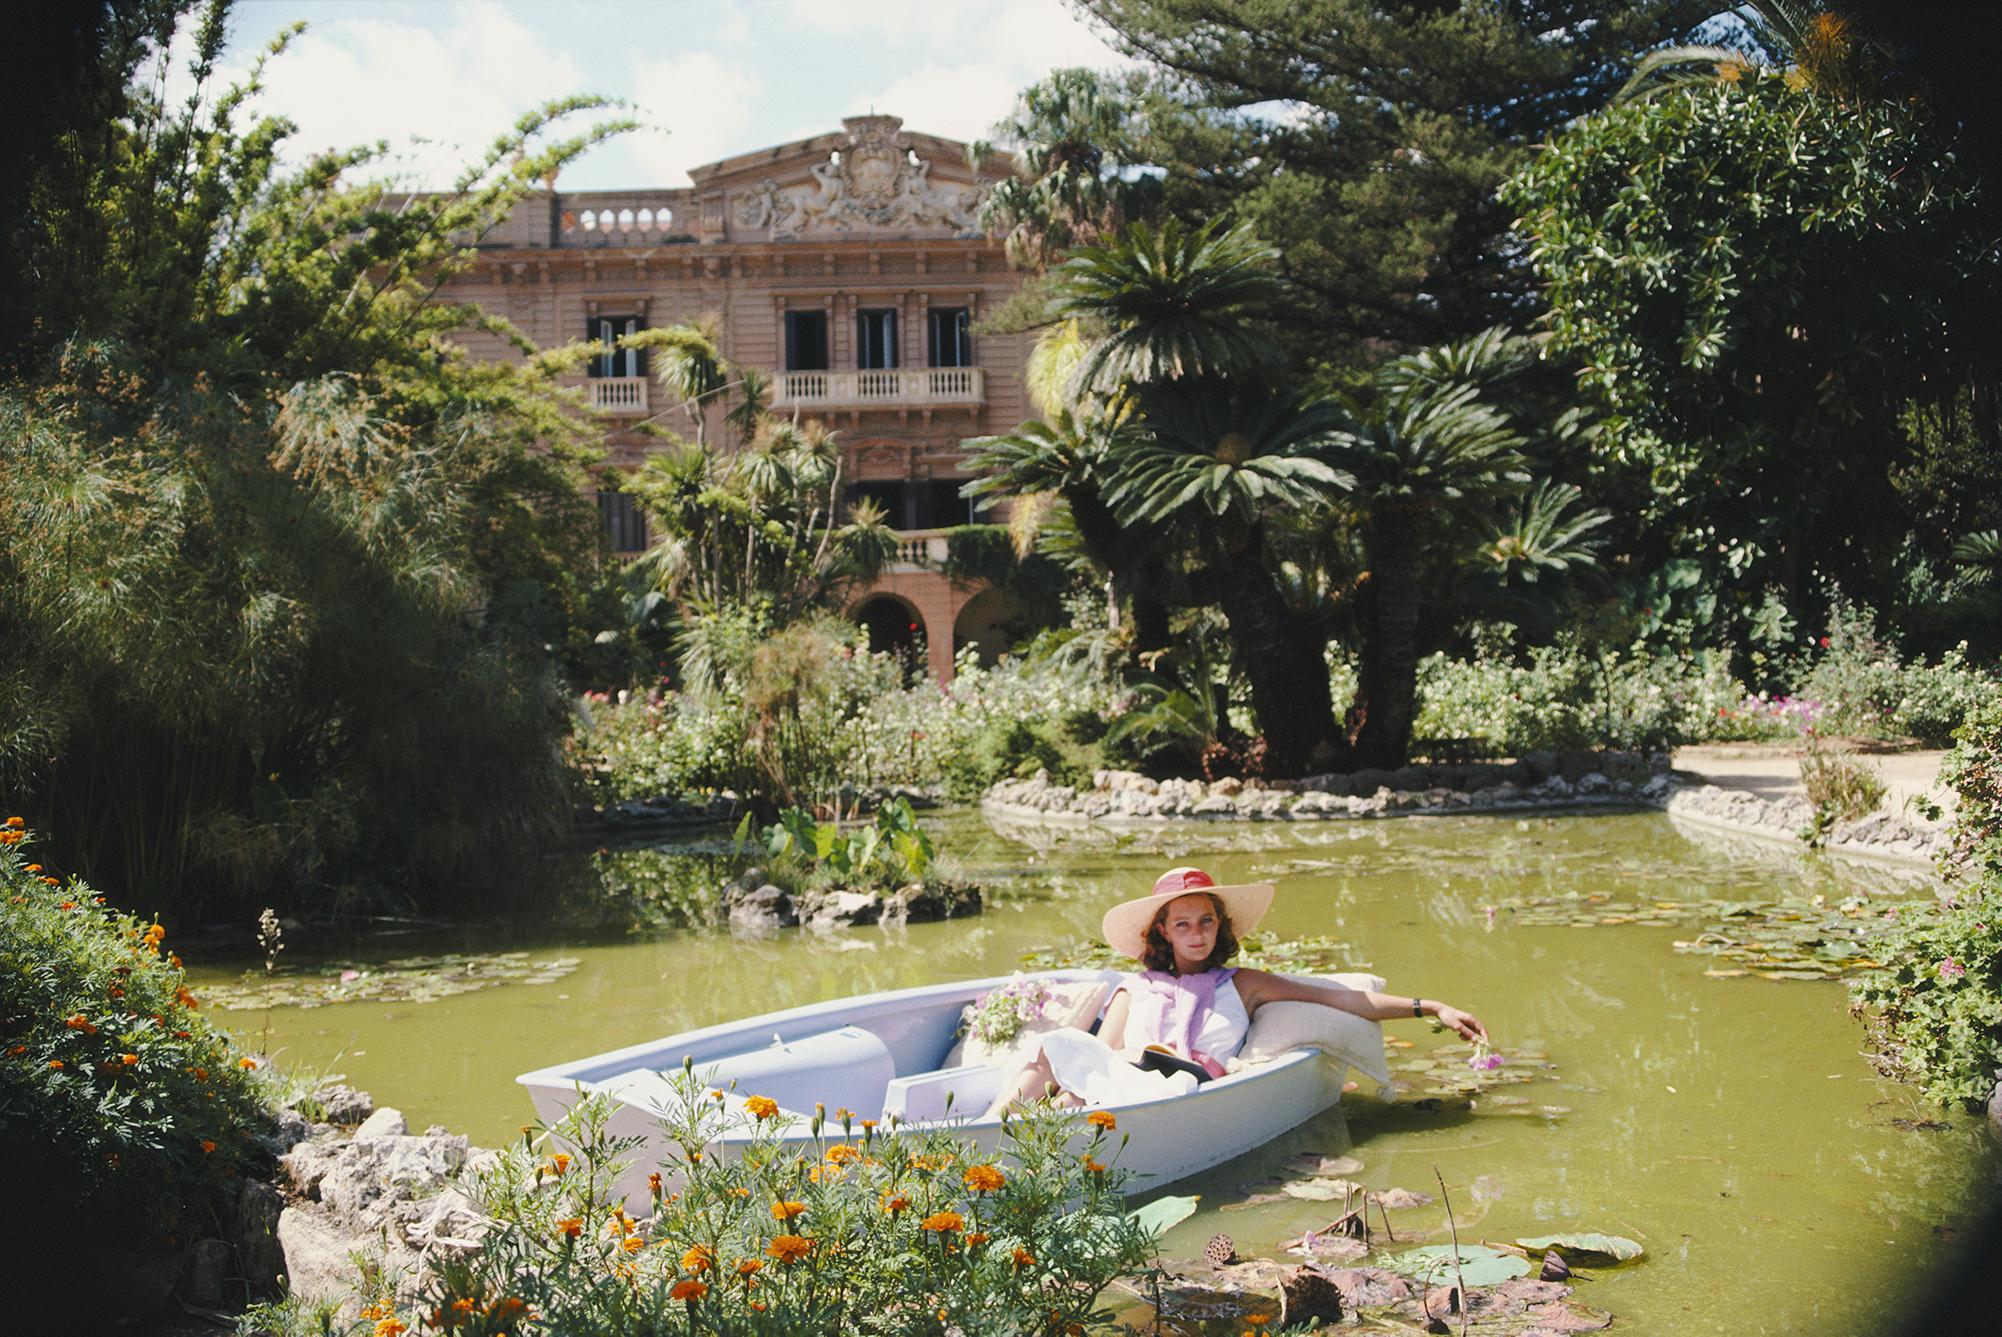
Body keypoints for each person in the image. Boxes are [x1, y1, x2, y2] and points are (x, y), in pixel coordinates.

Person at [987, 865, 1489, 1114]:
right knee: (1060, 1058)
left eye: (1205, 921)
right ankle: (990, 1130)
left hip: (1190, 1090)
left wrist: (1432, 1007)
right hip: (1128, 1085)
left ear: (1219, 925)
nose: (1197, 933)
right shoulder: (1134, 988)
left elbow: (1342, 999)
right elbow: (1108, 1052)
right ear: (1163, 931)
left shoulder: (1243, 983)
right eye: (1182, 924)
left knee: (1085, 1097)